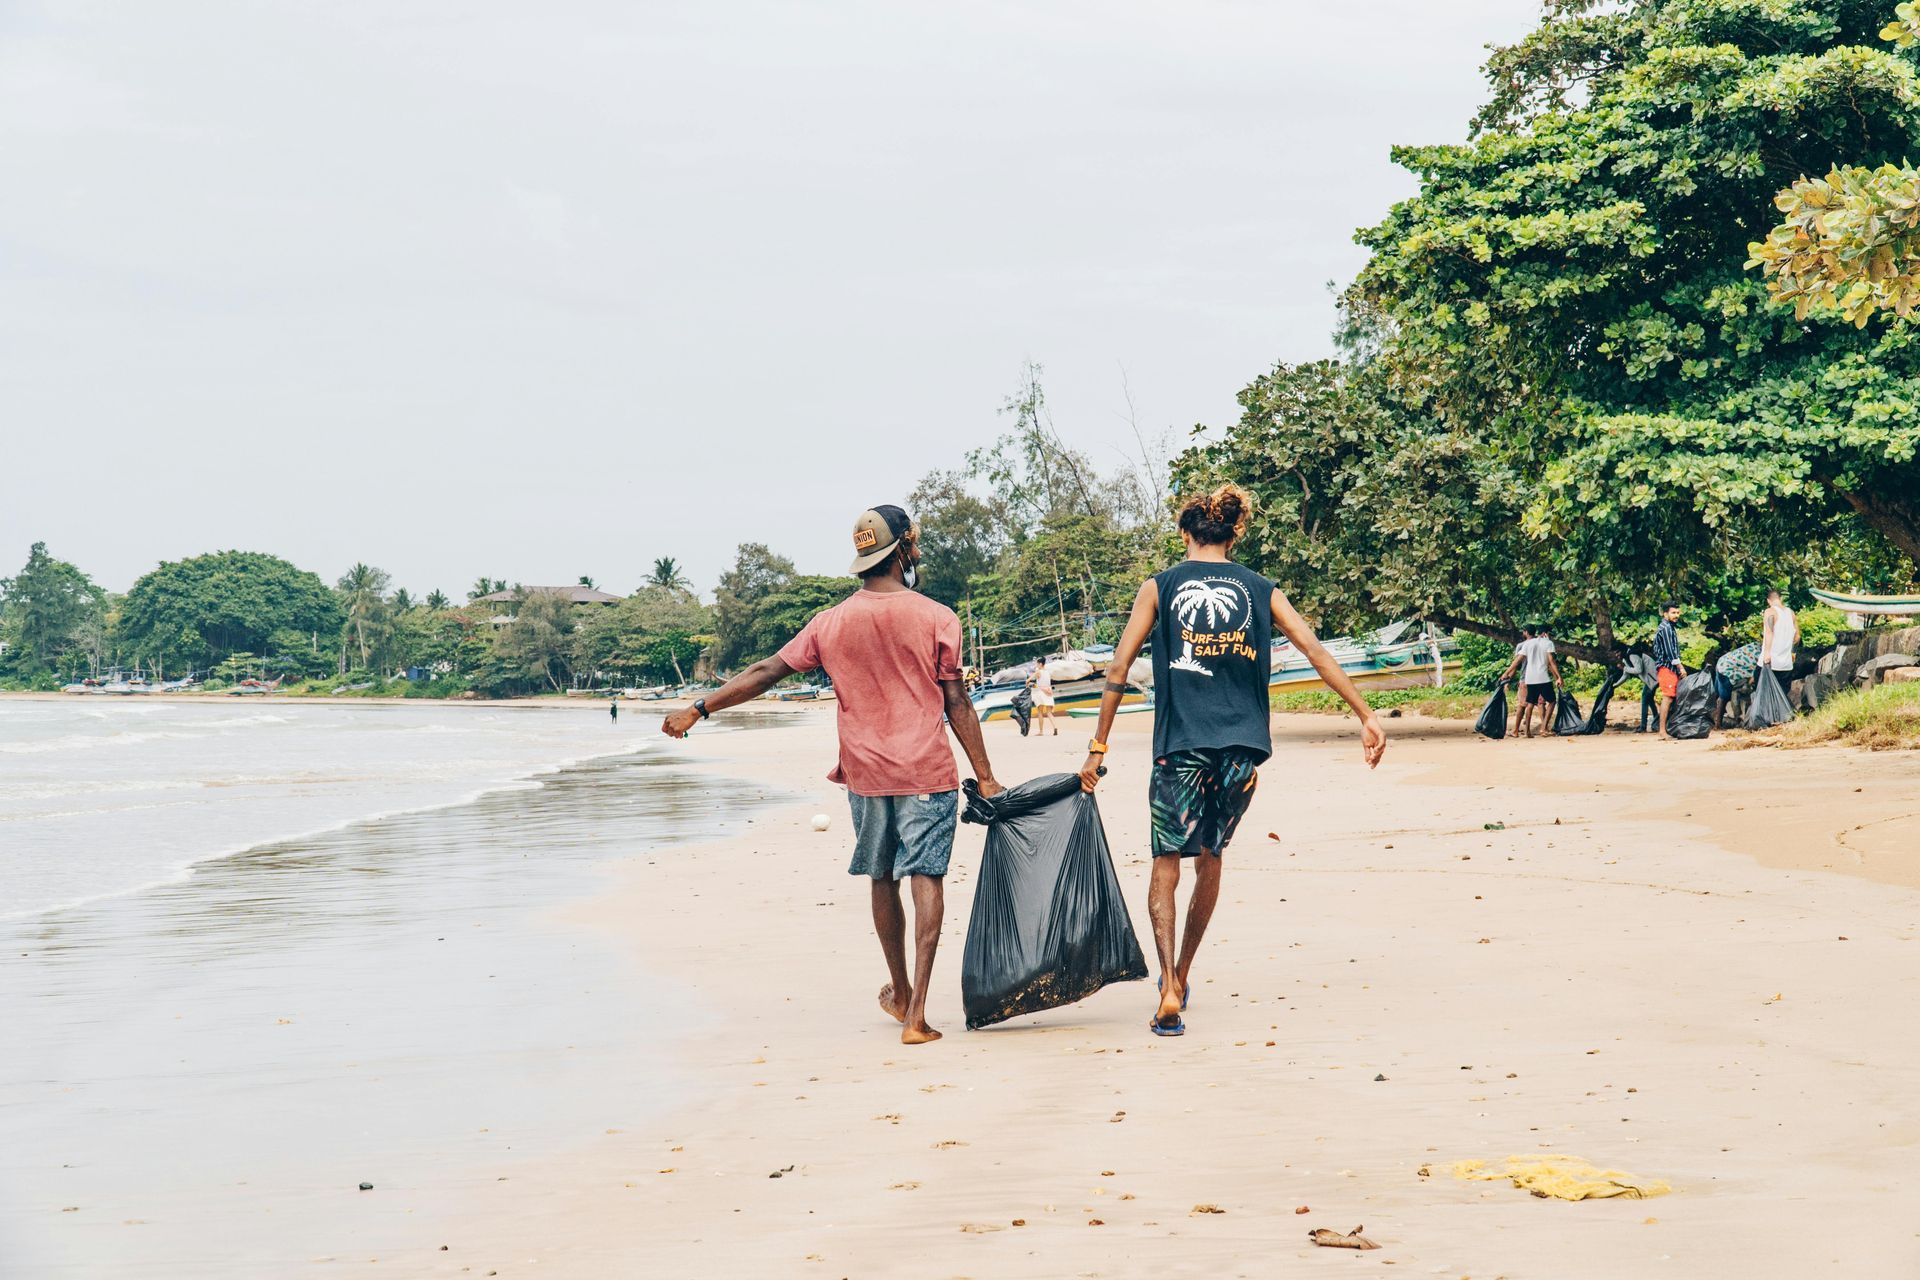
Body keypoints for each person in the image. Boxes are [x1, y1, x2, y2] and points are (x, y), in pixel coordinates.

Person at [662, 505, 1002, 1045]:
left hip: (866, 774)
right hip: (925, 770)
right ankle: (916, 1015)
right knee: (926, 877)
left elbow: (765, 672)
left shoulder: (830, 623)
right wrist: (985, 777)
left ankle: (899, 988)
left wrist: (699, 709)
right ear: (907, 548)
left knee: (882, 877)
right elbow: (956, 699)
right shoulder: (938, 617)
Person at [1078, 483, 1386, 1037]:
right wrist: (1364, 713)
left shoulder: (1160, 587)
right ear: (1234, 531)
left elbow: (1119, 669)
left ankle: (1170, 984)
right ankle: (1185, 972)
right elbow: (1313, 648)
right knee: (1210, 858)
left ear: (1184, 533)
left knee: (1166, 863)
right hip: (1242, 751)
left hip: (1179, 746)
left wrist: (1098, 746)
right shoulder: (1261, 588)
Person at [1498, 623, 1563, 739]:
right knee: (1552, 701)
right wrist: (1558, 677)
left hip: (1529, 679)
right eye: (1549, 634)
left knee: (1529, 704)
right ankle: (1544, 728)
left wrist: (1506, 673)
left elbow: (1517, 661)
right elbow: (1551, 661)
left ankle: (1527, 731)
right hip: (1543, 678)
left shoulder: (1528, 644)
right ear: (1545, 633)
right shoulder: (1548, 643)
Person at [1652, 602, 1686, 735]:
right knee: (1668, 697)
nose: (1676, 615)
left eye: (1677, 612)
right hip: (1667, 667)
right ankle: (1662, 731)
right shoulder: (1666, 628)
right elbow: (1669, 651)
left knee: (1672, 697)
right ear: (1665, 614)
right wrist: (1680, 667)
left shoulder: (1669, 627)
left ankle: (1667, 729)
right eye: (1673, 613)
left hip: (1669, 667)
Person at [1711, 639, 1760, 729]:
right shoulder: (1762, 655)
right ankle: (1721, 724)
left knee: (1719, 695)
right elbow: (1753, 679)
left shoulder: (1756, 646)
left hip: (1722, 662)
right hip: (1727, 670)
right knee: (1725, 696)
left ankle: (1714, 722)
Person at [1759, 588, 1799, 698]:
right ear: (1780, 599)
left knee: (1765, 698)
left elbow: (1769, 633)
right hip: (1786, 664)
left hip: (1771, 663)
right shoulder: (1791, 613)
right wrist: (1792, 653)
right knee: (1781, 697)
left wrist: (1767, 654)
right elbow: (1797, 637)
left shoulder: (1770, 612)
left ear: (1768, 600)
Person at [1623, 642, 1659, 733]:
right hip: (1652, 679)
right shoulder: (1627, 657)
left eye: (1616, 652)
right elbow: (1625, 675)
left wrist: (1625, 668)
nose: (1616, 655)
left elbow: (1638, 669)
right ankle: (1656, 721)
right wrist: (1614, 685)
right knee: (1649, 700)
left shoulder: (1632, 655)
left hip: (1653, 679)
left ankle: (1643, 726)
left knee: (1644, 700)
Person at [1031, 663, 1057, 736]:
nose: (1036, 665)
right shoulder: (1047, 672)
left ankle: (1041, 731)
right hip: (1048, 692)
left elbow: (1030, 679)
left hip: (1041, 693)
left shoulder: (1038, 671)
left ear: (1040, 664)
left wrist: (1028, 682)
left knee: (1040, 712)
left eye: (1037, 663)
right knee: (1049, 712)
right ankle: (1055, 727)